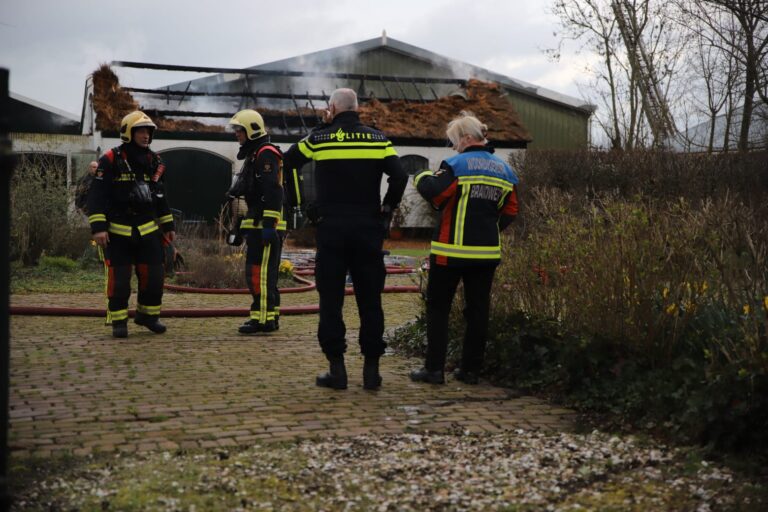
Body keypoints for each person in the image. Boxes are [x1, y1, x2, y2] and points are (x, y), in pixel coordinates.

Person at [284, 88, 407, 390]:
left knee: (331, 301)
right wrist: (387, 209)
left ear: (332, 108)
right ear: (357, 108)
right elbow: (401, 176)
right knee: (370, 301)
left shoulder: (319, 138)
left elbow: (288, 161)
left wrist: (301, 205)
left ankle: (337, 370)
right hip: (368, 229)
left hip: (331, 229)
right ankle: (371, 371)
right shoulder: (379, 140)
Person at [409, 112, 519, 385]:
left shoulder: (456, 165)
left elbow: (435, 193)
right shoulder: (506, 171)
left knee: (438, 309)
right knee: (478, 311)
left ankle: (434, 370)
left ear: (467, 138)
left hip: (451, 252)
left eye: (455, 141)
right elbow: (511, 210)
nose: (454, 147)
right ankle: (470, 371)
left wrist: (421, 174)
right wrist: (490, 230)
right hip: (486, 255)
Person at [87, 111, 176, 338]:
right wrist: (98, 228)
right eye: (141, 131)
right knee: (120, 280)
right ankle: (119, 321)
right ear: (129, 133)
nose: (146, 136)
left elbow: (160, 196)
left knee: (155, 277)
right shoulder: (110, 159)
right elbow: (97, 196)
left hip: (148, 231)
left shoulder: (155, 162)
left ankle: (148, 317)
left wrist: (168, 225)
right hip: (118, 233)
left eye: (148, 132)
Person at [227, 109, 285, 334]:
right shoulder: (255, 153)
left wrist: (269, 225)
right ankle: (268, 318)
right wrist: (240, 228)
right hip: (258, 224)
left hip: (266, 227)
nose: (236, 134)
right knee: (261, 273)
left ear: (251, 130)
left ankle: (262, 320)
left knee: (259, 274)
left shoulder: (266, 154)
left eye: (239, 130)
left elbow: (273, 191)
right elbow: (251, 196)